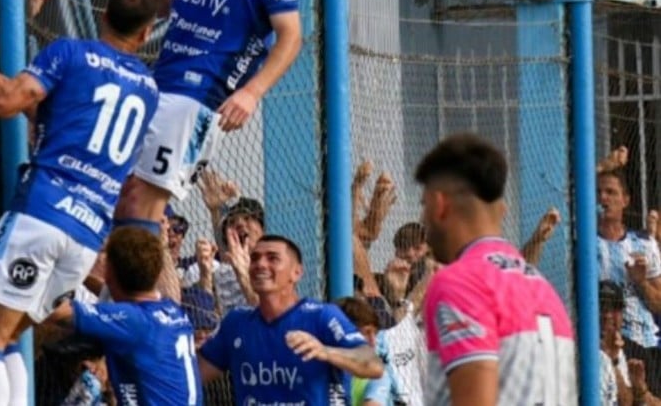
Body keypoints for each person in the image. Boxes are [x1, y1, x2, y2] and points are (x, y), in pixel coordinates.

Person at [0, 0, 160, 406]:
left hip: (44, 212)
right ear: (144, 34)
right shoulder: (148, 89)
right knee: (10, 334)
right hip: (87, 234)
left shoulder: (70, 52)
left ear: (102, 17)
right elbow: (68, 117)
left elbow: (7, 101)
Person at [88, 0, 303, 232]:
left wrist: (252, 93)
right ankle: (122, 289)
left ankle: (143, 292)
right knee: (121, 193)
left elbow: (291, 36)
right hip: (159, 83)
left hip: (200, 97)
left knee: (145, 204)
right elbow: (167, 3)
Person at [415, 133, 577, 405]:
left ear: (439, 204)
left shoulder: (460, 283)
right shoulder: (542, 288)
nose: (422, 219)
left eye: (423, 205)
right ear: (501, 210)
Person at [198, 234, 383, 403]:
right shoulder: (236, 323)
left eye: (272, 258)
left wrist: (326, 352)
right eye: (255, 258)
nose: (260, 264)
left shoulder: (322, 316)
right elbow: (192, 374)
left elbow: (373, 365)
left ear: (297, 273)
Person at [57, 226, 202, 405]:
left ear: (109, 273)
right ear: (156, 274)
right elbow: (108, 291)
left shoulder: (133, 320)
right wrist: (81, 274)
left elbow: (58, 313)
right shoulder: (172, 311)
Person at [597, 167, 661, 394]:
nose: (603, 198)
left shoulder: (643, 244)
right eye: (598, 192)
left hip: (645, 341)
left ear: (625, 200)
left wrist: (641, 282)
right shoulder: (585, 246)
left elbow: (658, 304)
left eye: (611, 192)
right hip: (608, 341)